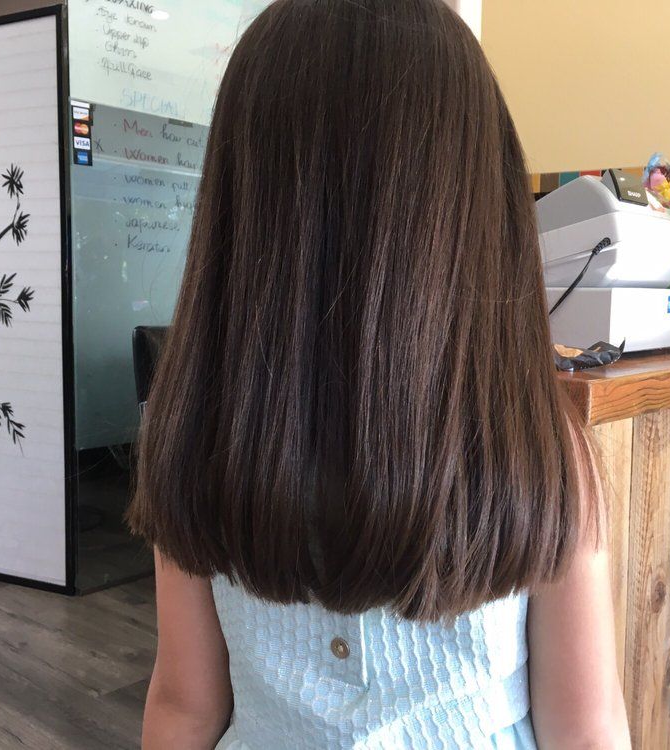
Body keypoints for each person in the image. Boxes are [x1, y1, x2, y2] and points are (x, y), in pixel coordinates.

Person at [127, 1, 630, 747]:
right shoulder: (544, 448)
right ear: (477, 213)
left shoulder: (190, 434)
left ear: (239, 210)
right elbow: (587, 731)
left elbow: (183, 706)